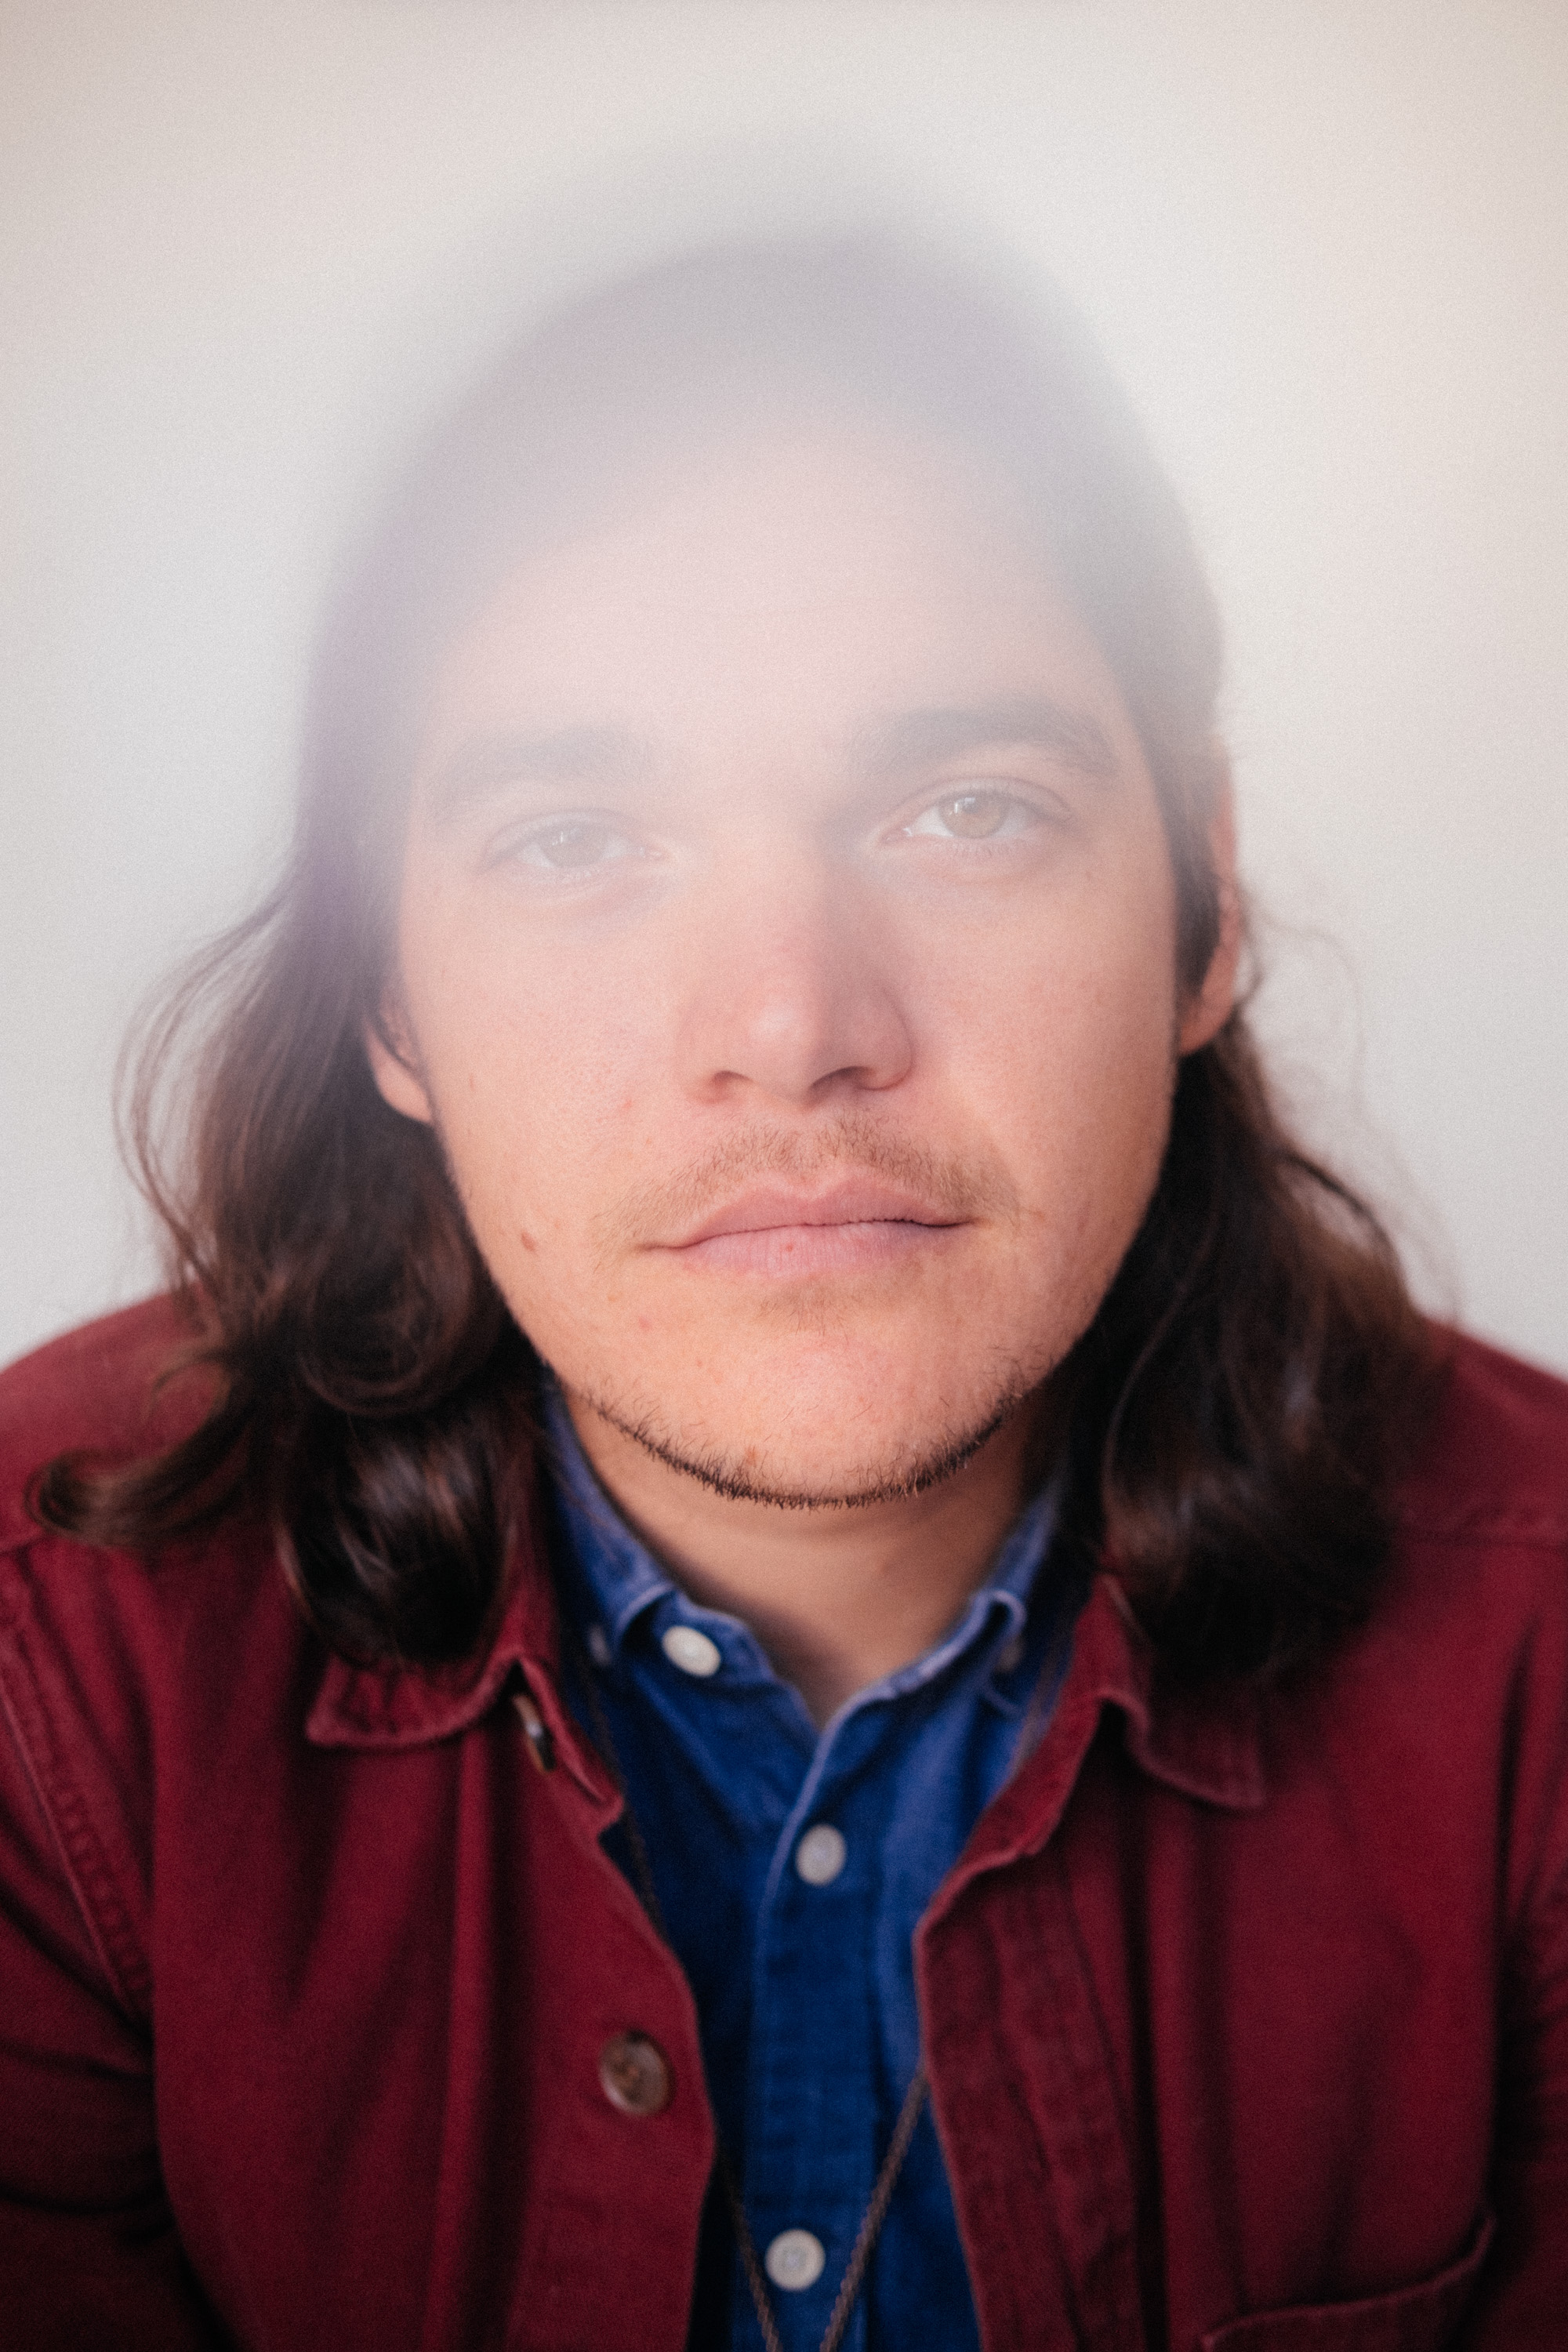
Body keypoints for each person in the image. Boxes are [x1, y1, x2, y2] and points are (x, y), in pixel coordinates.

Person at [1, 230, 1564, 2352]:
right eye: (573, 839)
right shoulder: (49, 1672)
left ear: (1202, 913)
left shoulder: (1542, 1661)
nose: (792, 1026)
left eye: (967, 810)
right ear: (390, 997)